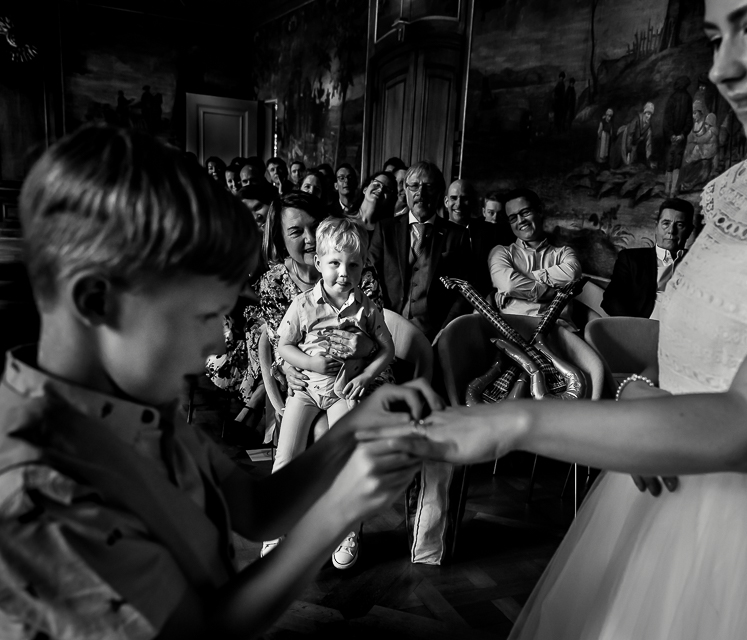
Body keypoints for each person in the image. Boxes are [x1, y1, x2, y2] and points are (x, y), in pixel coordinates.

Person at [368, 1, 747, 637]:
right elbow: (687, 341)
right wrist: (635, 392)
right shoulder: (738, 182)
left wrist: (509, 421)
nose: (721, 68)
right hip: (650, 488)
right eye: (714, 37)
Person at [0, 124, 436, 639]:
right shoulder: (41, 493)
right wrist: (342, 507)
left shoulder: (131, 402)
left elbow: (255, 509)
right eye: (203, 315)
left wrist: (359, 431)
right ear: (97, 300)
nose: (214, 343)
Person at [262, 219, 395, 566]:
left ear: (363, 267)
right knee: (285, 458)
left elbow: (387, 349)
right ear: (319, 262)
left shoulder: (367, 308)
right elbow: (283, 346)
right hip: (306, 391)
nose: (344, 273)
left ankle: (346, 529)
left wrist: (366, 375)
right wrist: (311, 362)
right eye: (335, 263)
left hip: (342, 392)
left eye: (354, 265)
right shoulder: (303, 304)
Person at [368, 161, 475, 341]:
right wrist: (376, 322)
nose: (420, 193)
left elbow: (464, 292)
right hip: (385, 329)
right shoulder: (385, 229)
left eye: (429, 187)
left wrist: (446, 330)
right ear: (405, 190)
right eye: (414, 186)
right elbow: (369, 277)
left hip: (434, 335)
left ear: (440, 192)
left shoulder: (457, 236)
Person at [489, 188, 582, 326]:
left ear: (539, 211)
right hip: (515, 329)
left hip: (558, 329)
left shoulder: (564, 253)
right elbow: (509, 285)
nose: (520, 221)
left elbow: (572, 275)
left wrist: (519, 284)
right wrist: (553, 292)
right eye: (513, 218)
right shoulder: (501, 253)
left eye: (525, 212)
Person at [601, 198, 695, 319]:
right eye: (666, 223)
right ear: (656, 226)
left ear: (689, 231)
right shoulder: (631, 259)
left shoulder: (697, 264)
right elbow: (611, 299)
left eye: (680, 225)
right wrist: (635, 326)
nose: (671, 231)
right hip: (640, 326)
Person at [663, 75, 694, 197]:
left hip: (671, 138)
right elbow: (689, 120)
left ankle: (667, 189)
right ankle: (672, 191)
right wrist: (682, 134)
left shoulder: (672, 97)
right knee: (677, 163)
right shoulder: (688, 98)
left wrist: (671, 135)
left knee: (670, 162)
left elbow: (667, 120)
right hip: (681, 138)